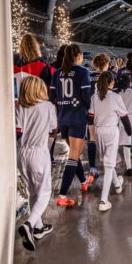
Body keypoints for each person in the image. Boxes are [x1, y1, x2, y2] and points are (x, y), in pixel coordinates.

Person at [16, 76, 57, 251]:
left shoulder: (20, 108)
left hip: (21, 153)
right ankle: (30, 224)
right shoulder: (48, 107)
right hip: (39, 152)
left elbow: (17, 132)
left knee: (33, 191)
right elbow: (54, 130)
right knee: (45, 192)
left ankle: (39, 228)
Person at [49, 44, 91, 207]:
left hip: (62, 118)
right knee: (73, 155)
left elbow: (52, 96)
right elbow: (87, 96)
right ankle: (62, 195)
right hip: (77, 118)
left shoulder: (57, 73)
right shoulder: (82, 72)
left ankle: (83, 181)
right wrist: (88, 111)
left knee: (75, 153)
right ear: (78, 56)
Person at [88, 72, 132, 212]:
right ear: (112, 83)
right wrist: (129, 132)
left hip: (98, 131)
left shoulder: (94, 97)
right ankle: (103, 200)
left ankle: (117, 185)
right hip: (111, 131)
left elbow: (90, 118)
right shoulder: (115, 96)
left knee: (108, 162)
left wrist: (92, 136)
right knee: (108, 166)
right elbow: (124, 117)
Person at [14, 33, 51, 99]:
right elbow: (46, 83)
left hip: (18, 97)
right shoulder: (42, 62)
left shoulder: (13, 60)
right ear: (35, 45)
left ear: (21, 45)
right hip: (36, 97)